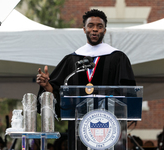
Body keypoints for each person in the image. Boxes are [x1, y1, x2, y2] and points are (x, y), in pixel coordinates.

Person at [36, 9, 136, 149]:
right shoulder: (72, 59)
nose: (95, 29)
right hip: (78, 128)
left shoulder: (118, 58)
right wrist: (47, 86)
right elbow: (59, 91)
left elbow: (128, 92)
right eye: (91, 25)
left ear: (104, 30)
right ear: (84, 29)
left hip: (108, 126)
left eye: (99, 26)